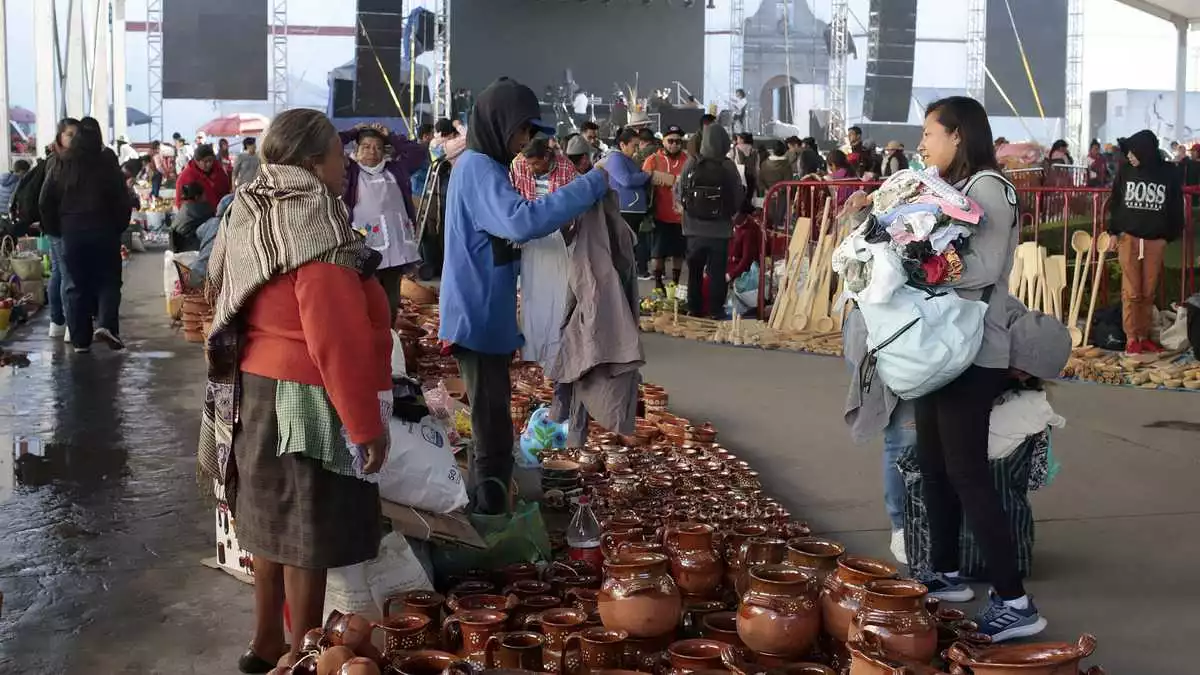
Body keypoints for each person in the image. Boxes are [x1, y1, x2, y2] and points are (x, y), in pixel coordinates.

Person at [199, 108, 392, 672]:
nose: (346, 163)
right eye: (338, 153)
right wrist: (364, 424)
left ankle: (264, 643)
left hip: (252, 387)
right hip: (302, 395)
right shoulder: (315, 223)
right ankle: (301, 655)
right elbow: (333, 336)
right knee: (304, 533)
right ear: (313, 162)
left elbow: (218, 289)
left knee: (269, 525)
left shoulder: (248, 208)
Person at [439, 77, 609, 515]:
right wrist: (591, 185)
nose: (525, 141)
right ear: (499, 123)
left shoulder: (486, 167)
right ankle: (489, 512)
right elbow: (519, 222)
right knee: (491, 422)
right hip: (477, 314)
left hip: (485, 312)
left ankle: (493, 498)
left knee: (492, 415)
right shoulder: (478, 168)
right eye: (522, 130)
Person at [910, 96, 1040, 643]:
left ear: (958, 135)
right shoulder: (954, 189)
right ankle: (944, 573)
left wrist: (918, 256)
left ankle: (1016, 601)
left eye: (929, 134)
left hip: (974, 348)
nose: (923, 145)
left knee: (966, 473)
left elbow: (982, 267)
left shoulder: (988, 189)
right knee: (934, 463)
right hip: (940, 346)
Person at [38, 120, 130, 352]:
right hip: (105, 231)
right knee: (108, 280)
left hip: (73, 233)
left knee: (76, 286)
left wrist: (57, 229)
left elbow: (45, 200)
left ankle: (80, 341)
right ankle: (107, 325)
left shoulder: (62, 162)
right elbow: (123, 200)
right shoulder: (108, 162)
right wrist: (118, 227)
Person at [1106, 129, 1185, 354]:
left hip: (1154, 240)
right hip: (1129, 238)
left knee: (1148, 291)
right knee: (1131, 291)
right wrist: (1113, 231)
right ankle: (1132, 337)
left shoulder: (1168, 172)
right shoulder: (1126, 171)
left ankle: (1143, 335)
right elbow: (1117, 202)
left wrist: (1168, 235)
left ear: (1145, 151)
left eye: (1133, 152)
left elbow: (1175, 204)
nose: (1129, 156)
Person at [341, 124, 428, 323]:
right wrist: (352, 132)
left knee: (391, 296)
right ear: (356, 149)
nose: (372, 152)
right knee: (365, 294)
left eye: (378, 147)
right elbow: (331, 144)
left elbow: (417, 153)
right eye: (366, 146)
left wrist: (390, 136)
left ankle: (389, 336)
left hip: (395, 247)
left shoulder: (395, 169)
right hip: (364, 244)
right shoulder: (350, 171)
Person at [509, 136, 579, 373]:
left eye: (536, 164)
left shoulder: (567, 168)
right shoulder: (517, 165)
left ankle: (554, 351)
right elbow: (512, 195)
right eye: (529, 164)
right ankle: (531, 352)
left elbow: (572, 205)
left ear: (548, 159)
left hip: (556, 237)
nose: (531, 168)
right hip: (530, 237)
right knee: (531, 294)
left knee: (557, 294)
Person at [675, 124, 744, 319]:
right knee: (717, 272)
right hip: (720, 230)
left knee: (694, 272)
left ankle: (694, 308)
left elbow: (680, 193)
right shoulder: (728, 166)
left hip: (693, 229)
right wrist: (729, 214)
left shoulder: (691, 164)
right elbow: (738, 195)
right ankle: (715, 310)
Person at [24, 118, 80, 340]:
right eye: (69, 134)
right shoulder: (59, 161)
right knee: (67, 274)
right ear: (60, 137)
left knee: (58, 272)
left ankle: (57, 322)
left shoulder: (58, 159)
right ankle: (68, 324)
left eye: (77, 135)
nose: (73, 139)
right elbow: (46, 199)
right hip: (60, 225)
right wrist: (55, 224)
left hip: (57, 224)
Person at [643, 125, 688, 291]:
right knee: (658, 252)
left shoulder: (688, 160)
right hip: (659, 215)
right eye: (670, 141)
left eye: (678, 141)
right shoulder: (653, 160)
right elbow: (644, 179)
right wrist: (666, 179)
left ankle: (676, 282)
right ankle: (657, 283)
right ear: (663, 141)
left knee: (679, 252)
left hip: (681, 216)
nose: (674, 144)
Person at [605, 127, 653, 279]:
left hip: (634, 209)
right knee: (625, 246)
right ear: (622, 145)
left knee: (632, 245)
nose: (637, 150)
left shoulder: (627, 159)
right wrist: (646, 175)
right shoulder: (615, 159)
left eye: (638, 146)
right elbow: (626, 180)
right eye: (634, 146)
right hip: (625, 209)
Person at [175, 143, 232, 210]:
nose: (209, 164)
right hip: (200, 216)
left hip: (221, 212)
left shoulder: (218, 170)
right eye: (205, 161)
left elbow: (226, 190)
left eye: (211, 160)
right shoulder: (186, 177)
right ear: (196, 161)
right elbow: (181, 203)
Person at [171, 182, 214, 252]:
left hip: (178, 245)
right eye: (204, 195)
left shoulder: (185, 207)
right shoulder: (202, 208)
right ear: (197, 197)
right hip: (190, 248)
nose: (206, 197)